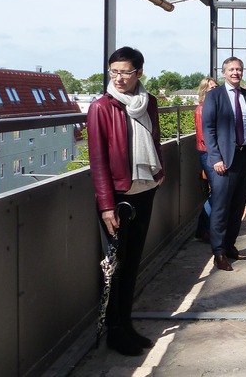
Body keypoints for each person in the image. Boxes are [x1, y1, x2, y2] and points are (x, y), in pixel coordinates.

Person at [87, 46, 164, 356]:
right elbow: (98, 159)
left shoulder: (150, 103)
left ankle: (127, 323)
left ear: (139, 73)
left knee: (132, 264)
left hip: (145, 190)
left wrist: (161, 172)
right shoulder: (101, 108)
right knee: (116, 268)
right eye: (114, 72)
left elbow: (155, 139)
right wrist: (106, 205)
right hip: (117, 197)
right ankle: (114, 331)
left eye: (125, 72)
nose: (118, 78)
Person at [202, 56, 246, 272]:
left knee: (238, 207)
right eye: (232, 69)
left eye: (239, 69)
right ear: (224, 72)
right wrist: (215, 157)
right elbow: (208, 129)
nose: (236, 73)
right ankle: (218, 252)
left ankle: (230, 247)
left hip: (244, 157)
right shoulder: (214, 96)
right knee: (220, 207)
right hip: (223, 161)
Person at [194, 77, 220, 241]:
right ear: (204, 91)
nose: (215, 90)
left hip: (214, 154)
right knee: (217, 192)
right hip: (209, 154)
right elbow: (205, 137)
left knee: (218, 192)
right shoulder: (202, 110)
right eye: (211, 88)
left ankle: (205, 229)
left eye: (216, 87)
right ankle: (203, 228)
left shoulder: (215, 107)